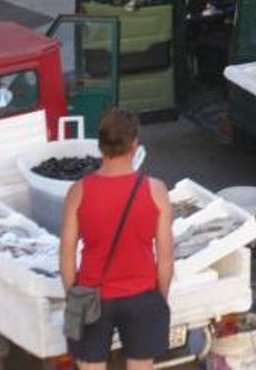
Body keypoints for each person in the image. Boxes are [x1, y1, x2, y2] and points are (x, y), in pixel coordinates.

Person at [60, 108, 174, 369]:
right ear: (134, 145)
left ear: (100, 145)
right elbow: (166, 256)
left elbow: (66, 254)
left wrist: (73, 297)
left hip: (90, 293)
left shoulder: (78, 191)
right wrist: (160, 297)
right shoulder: (155, 190)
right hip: (142, 293)